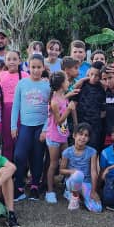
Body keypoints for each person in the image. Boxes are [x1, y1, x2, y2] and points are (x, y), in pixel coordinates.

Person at [11, 54, 51, 199]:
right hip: (25, 126)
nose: (35, 70)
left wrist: (46, 129)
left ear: (43, 68)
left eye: (38, 67)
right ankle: (19, 186)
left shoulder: (47, 85)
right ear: (28, 67)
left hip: (40, 127)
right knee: (19, 155)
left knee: (37, 156)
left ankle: (35, 185)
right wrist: (13, 126)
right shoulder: (22, 84)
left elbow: (50, 110)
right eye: (33, 67)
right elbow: (15, 106)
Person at [45, 71, 74, 204]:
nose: (69, 82)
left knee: (67, 161)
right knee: (53, 164)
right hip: (54, 137)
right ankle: (50, 191)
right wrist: (69, 110)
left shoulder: (63, 97)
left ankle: (68, 189)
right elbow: (58, 121)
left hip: (63, 135)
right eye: (67, 80)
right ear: (61, 84)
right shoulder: (54, 101)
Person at [60, 123, 102, 213]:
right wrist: (72, 171)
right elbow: (61, 170)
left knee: (97, 208)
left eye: (86, 135)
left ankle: (79, 195)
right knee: (78, 175)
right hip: (72, 182)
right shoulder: (67, 152)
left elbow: (94, 172)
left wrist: (93, 191)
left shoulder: (92, 152)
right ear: (74, 135)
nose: (83, 137)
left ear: (89, 139)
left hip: (86, 183)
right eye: (80, 134)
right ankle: (73, 196)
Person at [0, 50, 24, 159]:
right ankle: (6, 166)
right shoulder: (0, 75)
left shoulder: (25, 75)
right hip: (5, 110)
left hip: (21, 111)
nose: (12, 62)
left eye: (14, 59)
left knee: (19, 138)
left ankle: (21, 168)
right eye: (9, 59)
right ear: (5, 61)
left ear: (20, 61)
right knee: (7, 139)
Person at [75, 64, 106, 151]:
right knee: (79, 149)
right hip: (81, 122)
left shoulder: (102, 88)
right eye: (91, 74)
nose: (93, 77)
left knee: (93, 150)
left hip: (95, 126)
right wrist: (75, 123)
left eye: (96, 76)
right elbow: (74, 101)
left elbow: (104, 110)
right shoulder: (82, 84)